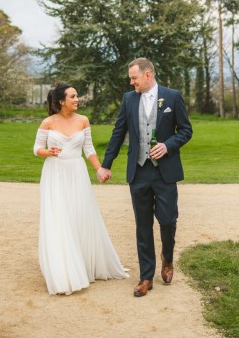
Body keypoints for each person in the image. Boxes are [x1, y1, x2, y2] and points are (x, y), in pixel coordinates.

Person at [97, 58, 192, 297]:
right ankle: (146, 277)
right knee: (142, 226)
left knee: (168, 221)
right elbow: (118, 132)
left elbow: (186, 130)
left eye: (134, 78)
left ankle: (167, 259)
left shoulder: (172, 97)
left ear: (148, 75)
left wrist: (168, 145)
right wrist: (106, 164)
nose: (131, 82)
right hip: (138, 171)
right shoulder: (129, 99)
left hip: (165, 172)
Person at [33, 82, 128, 295]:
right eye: (73, 96)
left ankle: (83, 264)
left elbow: (89, 149)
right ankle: (62, 270)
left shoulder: (83, 121)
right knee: (59, 218)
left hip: (77, 172)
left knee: (79, 215)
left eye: (77, 96)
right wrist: (46, 152)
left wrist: (100, 169)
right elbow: (36, 148)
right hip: (55, 173)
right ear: (61, 101)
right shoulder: (48, 122)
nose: (77, 99)